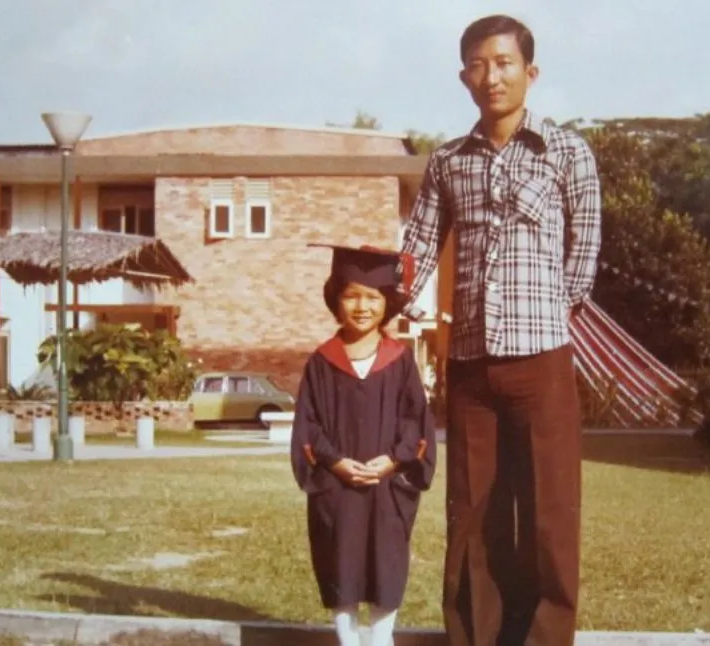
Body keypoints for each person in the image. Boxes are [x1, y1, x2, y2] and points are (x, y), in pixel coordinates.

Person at [399, 14, 603, 646]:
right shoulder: (448, 162)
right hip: (470, 367)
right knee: (473, 513)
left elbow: (583, 256)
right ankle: (475, 637)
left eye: (505, 63)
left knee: (548, 512)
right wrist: (377, 299)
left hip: (542, 362)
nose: (493, 76)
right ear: (465, 77)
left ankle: (543, 639)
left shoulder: (568, 153)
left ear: (530, 72)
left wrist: (543, 317)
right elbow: (419, 246)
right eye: (479, 65)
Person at [290, 243, 438, 646]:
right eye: (351, 295)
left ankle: (381, 639)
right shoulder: (322, 362)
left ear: (386, 304)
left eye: (372, 297)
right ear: (336, 301)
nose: (361, 306)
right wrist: (335, 462)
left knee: (385, 563)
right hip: (337, 488)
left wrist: (394, 460)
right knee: (341, 563)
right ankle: (347, 641)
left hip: (386, 487)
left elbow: (417, 423)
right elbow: (308, 425)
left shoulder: (399, 360)